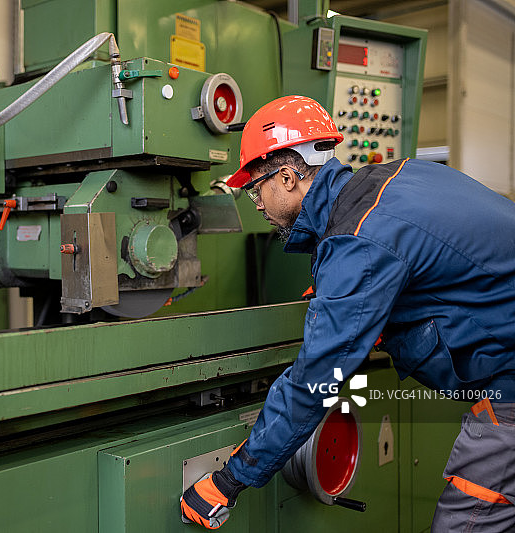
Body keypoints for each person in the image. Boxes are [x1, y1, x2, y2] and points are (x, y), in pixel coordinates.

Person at [180, 95, 515, 531]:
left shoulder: (360, 240)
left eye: (254, 188)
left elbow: (315, 380)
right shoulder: (396, 176)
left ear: (285, 177)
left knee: (466, 522)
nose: (256, 204)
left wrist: (230, 479)